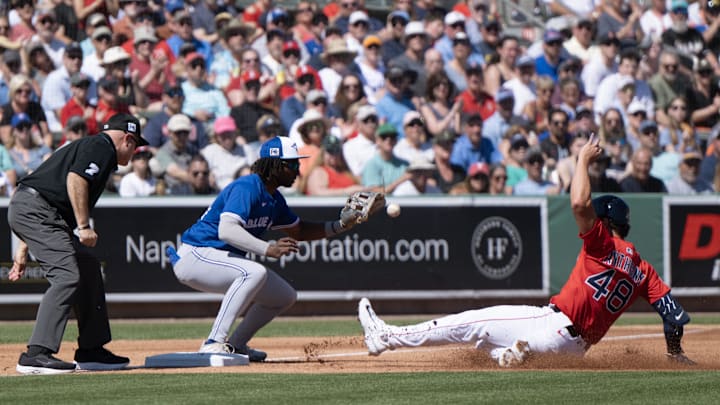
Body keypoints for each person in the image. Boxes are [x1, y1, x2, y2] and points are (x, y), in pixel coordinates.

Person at [358, 134, 695, 367]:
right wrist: (675, 353)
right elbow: (673, 315)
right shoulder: (644, 270)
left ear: (605, 222)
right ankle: (514, 355)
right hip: (574, 352)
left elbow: (578, 202)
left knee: (469, 322)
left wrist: (581, 160)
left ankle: (386, 336)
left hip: (553, 325)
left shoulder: (603, 243)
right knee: (485, 348)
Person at [168, 136, 379, 361]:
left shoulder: (274, 198)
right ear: (276, 165)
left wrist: (341, 224)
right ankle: (213, 342)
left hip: (217, 257)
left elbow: (300, 231)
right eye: (293, 164)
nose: (298, 170)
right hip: (196, 255)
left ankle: (237, 344)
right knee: (253, 272)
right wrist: (268, 249)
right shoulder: (247, 187)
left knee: (283, 295)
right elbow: (226, 230)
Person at [7, 113, 148, 374]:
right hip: (38, 211)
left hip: (38, 210)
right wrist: (83, 226)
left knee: (88, 267)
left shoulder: (93, 146)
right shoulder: (101, 147)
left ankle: (91, 350)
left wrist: (24, 247)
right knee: (67, 275)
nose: (135, 151)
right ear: (127, 139)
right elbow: (75, 179)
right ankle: (36, 354)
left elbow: (46, 184)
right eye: (136, 144)